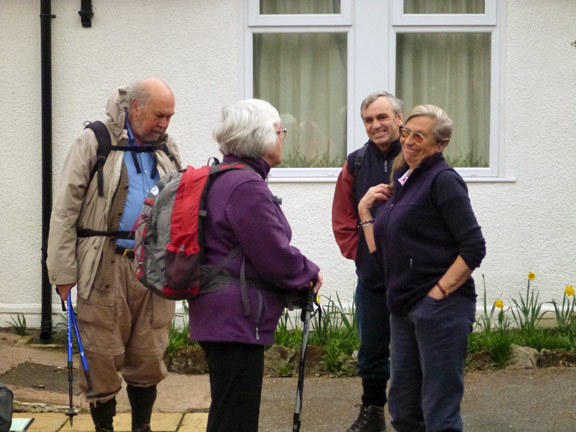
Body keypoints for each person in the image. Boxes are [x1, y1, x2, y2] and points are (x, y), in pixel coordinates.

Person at [47, 78, 182, 432]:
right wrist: (62, 272)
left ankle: (142, 428)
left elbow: (179, 204)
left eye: (169, 116)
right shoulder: (95, 141)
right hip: (103, 264)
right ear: (135, 108)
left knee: (149, 351)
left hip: (152, 267)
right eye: (158, 115)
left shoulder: (166, 149)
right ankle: (104, 429)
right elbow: (64, 208)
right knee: (100, 352)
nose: (164, 124)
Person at [187, 99, 323, 432]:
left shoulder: (222, 177)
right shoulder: (246, 186)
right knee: (236, 419)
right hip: (236, 319)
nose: (283, 137)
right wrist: (308, 272)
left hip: (219, 312)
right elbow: (273, 254)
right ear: (261, 137)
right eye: (280, 131)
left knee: (227, 412)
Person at [358, 105, 486, 432]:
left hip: (439, 310)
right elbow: (380, 251)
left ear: (440, 145)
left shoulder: (443, 181)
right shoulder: (405, 180)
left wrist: (437, 295)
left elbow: (473, 247)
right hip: (403, 310)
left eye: (420, 136)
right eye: (407, 133)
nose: (410, 141)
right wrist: (364, 211)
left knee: (439, 413)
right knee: (402, 409)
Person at [332, 91, 403, 432]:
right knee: (372, 350)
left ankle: (413, 416)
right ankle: (372, 413)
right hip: (372, 278)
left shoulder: (417, 154)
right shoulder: (356, 161)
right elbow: (342, 214)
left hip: (413, 275)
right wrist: (358, 251)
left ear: (399, 118)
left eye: (382, 117)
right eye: (369, 120)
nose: (376, 125)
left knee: (412, 349)